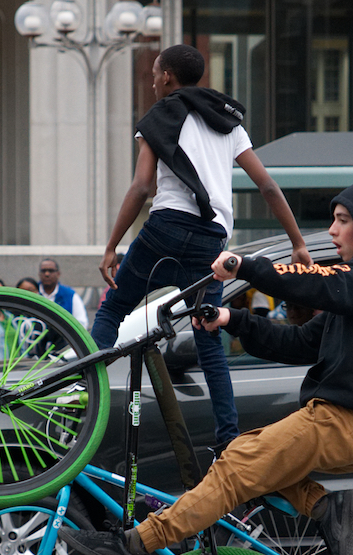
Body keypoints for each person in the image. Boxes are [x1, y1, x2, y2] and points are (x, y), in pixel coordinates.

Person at [62, 178, 353, 555]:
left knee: (238, 468)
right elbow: (298, 344)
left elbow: (318, 284)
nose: (332, 230)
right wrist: (233, 320)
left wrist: (247, 266)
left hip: (346, 422)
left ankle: (133, 545)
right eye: (333, 220)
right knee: (242, 450)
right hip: (347, 424)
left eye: (343, 220)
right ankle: (327, 509)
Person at [90, 44, 309, 446]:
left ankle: (84, 401)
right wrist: (297, 242)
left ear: (168, 77)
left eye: (155, 73)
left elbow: (142, 187)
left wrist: (110, 247)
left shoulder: (160, 117)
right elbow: (267, 185)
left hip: (166, 229)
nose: (152, 80)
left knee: (113, 311)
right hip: (211, 242)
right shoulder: (228, 123)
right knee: (209, 336)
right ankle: (227, 437)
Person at [37, 259, 88, 328]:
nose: (47, 274)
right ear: (39, 274)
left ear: (58, 274)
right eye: (43, 271)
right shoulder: (33, 292)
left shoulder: (70, 295)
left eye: (51, 271)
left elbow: (82, 323)